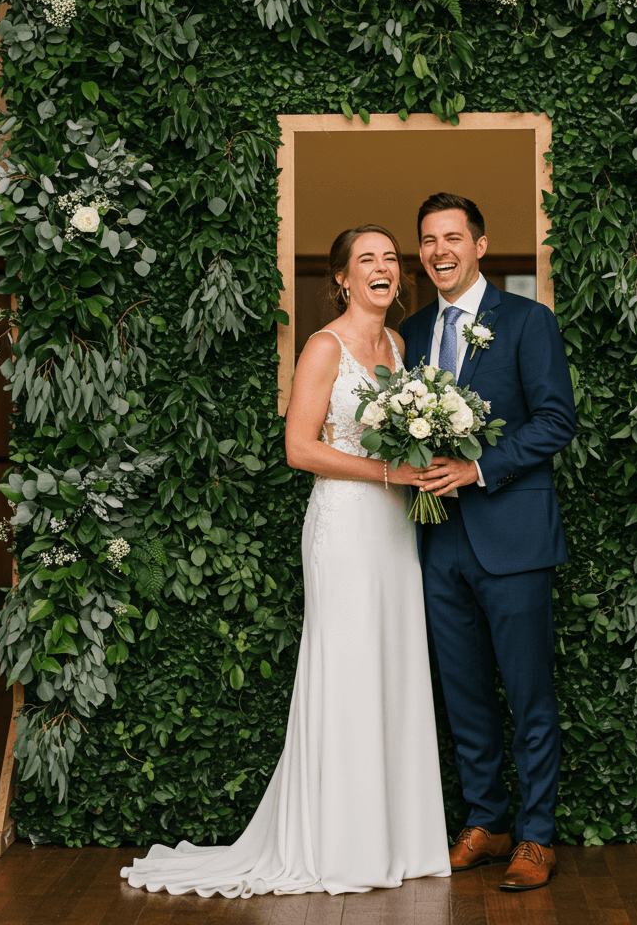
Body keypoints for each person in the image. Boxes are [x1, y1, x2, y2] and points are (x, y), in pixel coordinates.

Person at [121, 225, 450, 897]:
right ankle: (340, 845)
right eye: (367, 260)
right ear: (342, 278)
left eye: (390, 258)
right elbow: (299, 448)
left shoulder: (398, 345)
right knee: (349, 669)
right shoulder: (323, 346)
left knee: (394, 666)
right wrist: (389, 468)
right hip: (346, 525)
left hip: (395, 530)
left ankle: (401, 841)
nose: (382, 268)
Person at [401, 193, 576, 893]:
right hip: (437, 538)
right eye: (427, 240)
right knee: (463, 691)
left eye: (452, 237)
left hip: (513, 536)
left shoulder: (529, 322)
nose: (439, 250)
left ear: (479, 244)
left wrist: (479, 468)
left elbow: (556, 420)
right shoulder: (410, 332)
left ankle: (536, 836)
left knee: (529, 692)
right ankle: (486, 821)